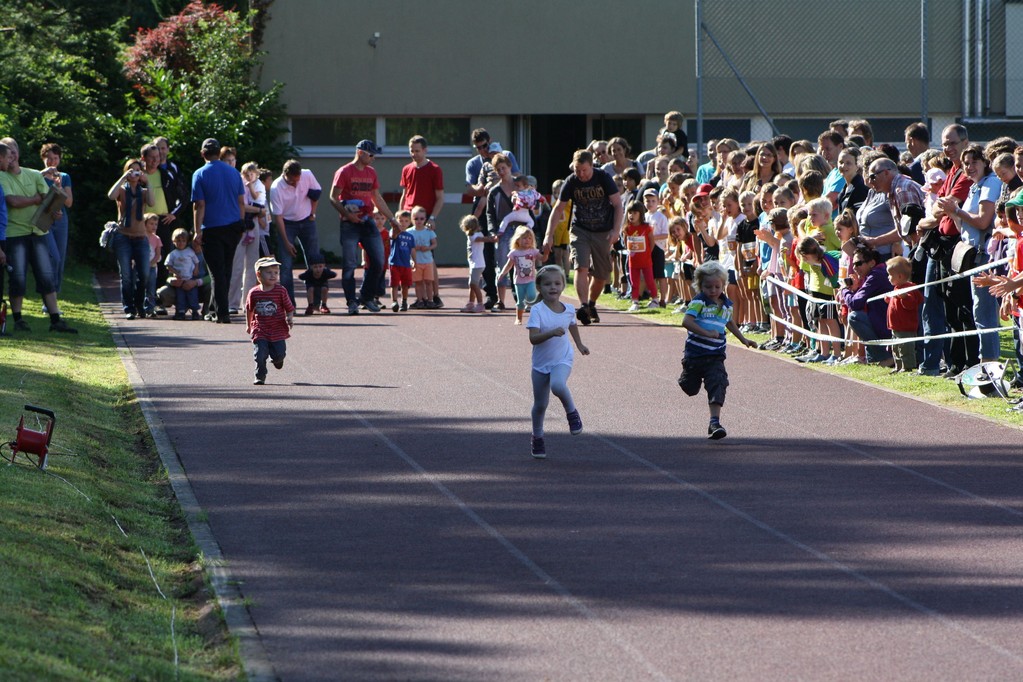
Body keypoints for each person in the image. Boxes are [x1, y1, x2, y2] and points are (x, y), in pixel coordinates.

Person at [916, 124, 975, 377]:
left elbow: (948, 205)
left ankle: (970, 363)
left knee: (962, 307)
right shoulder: (951, 172)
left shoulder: (965, 174)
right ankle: (955, 363)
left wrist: (934, 215)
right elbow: (937, 206)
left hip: (958, 245)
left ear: (965, 142)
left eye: (952, 143)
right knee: (949, 306)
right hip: (942, 244)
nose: (948, 148)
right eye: (944, 144)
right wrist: (935, 213)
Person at [0, 138, 76, 333]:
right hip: (15, 234)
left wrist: (54, 212)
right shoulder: (2, 176)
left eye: (14, 151)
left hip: (39, 232)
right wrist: (35, 199)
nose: (12, 156)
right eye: (8, 153)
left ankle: (55, 319)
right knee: (18, 277)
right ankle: (18, 319)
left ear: (18, 153)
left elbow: (48, 199)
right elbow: (13, 201)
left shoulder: (34, 174)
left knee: (46, 275)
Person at [678, 260, 757, 440]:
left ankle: (715, 423)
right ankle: (686, 376)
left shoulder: (727, 304)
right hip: (695, 355)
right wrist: (707, 333)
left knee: (718, 383)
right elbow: (686, 321)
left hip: (715, 355)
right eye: (708, 287)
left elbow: (729, 322)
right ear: (700, 286)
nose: (713, 290)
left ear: (723, 285)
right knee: (690, 388)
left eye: (717, 287)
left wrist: (744, 339)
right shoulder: (699, 302)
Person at [543, 149, 624, 325]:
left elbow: (618, 205)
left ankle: (592, 303)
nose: (581, 174)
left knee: (602, 275)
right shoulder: (571, 181)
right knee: (581, 266)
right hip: (580, 229)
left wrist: (616, 230)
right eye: (577, 170)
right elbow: (558, 208)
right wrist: (548, 235)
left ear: (591, 166)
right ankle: (584, 306)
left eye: (584, 170)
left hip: (603, 230)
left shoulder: (603, 177)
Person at [942, 143, 1002, 363]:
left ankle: (989, 362)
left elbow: (983, 221)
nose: (969, 167)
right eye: (966, 163)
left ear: (985, 163)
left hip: (985, 256)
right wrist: (953, 213)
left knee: (984, 312)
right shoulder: (975, 187)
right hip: (973, 255)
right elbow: (965, 227)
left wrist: (956, 210)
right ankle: (987, 361)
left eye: (974, 162)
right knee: (979, 311)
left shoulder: (990, 183)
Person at [526, 265, 589, 459]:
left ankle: (572, 413)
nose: (552, 287)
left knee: (558, 385)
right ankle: (537, 437)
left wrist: (579, 344)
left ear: (563, 286)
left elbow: (572, 324)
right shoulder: (537, 310)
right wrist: (551, 333)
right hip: (540, 364)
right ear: (539, 287)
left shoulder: (569, 309)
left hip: (562, 358)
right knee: (540, 405)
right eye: (547, 284)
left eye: (557, 283)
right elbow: (533, 339)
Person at [330, 139, 400, 315]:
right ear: (360, 152)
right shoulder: (344, 171)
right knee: (350, 264)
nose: (373, 158)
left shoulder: (371, 172)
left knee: (378, 261)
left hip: (368, 222)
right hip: (349, 224)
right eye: (371, 155)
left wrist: (392, 218)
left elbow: (376, 197)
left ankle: (366, 297)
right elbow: (333, 197)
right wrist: (348, 215)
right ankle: (351, 302)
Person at [191, 138, 245, 323]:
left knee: (216, 272)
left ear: (202, 153)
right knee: (226, 270)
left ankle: (222, 312)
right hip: (233, 226)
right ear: (218, 153)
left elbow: (199, 205)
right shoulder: (234, 172)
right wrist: (241, 224)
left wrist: (197, 231)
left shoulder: (199, 174)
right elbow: (241, 201)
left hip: (212, 227)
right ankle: (216, 309)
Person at [399, 135, 445, 308]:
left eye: (417, 151)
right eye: (411, 150)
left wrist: (432, 217)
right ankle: (419, 297)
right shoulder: (406, 169)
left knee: (428, 259)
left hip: (424, 220)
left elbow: (440, 197)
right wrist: (400, 217)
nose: (414, 154)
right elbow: (405, 194)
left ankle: (435, 296)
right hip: (409, 220)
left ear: (425, 150)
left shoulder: (434, 169)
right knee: (411, 259)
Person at [268, 159, 321, 305]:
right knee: (286, 265)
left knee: (314, 261)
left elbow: (316, 194)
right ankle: (289, 304)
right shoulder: (276, 188)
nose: (296, 184)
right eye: (292, 181)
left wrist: (313, 213)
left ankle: (315, 302)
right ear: (285, 174)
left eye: (298, 180)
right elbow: (278, 217)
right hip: (287, 223)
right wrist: (286, 242)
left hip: (307, 220)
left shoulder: (307, 174)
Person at [108, 158, 155, 320]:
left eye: (137, 170)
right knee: (126, 275)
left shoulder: (143, 192)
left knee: (144, 274)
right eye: (131, 170)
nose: (134, 173)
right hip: (123, 237)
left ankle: (139, 305)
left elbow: (152, 202)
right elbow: (110, 195)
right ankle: (129, 308)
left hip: (141, 237)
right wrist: (123, 178)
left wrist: (147, 182)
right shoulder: (122, 190)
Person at [839, 246, 894, 366]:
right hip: (886, 321)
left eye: (858, 263)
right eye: (853, 264)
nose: (855, 268)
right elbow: (857, 301)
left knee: (855, 317)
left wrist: (844, 290)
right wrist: (854, 290)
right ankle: (876, 358)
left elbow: (855, 304)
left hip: (889, 324)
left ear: (872, 263)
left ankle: (884, 357)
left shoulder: (876, 275)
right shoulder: (876, 273)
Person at [245, 256, 295, 385]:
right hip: (260, 329)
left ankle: (278, 359)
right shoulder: (253, 293)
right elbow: (249, 310)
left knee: (279, 354)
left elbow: (289, 307)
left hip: (278, 329)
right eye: (269, 272)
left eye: (276, 272)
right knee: (259, 355)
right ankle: (260, 376)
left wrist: (289, 317)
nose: (273, 275)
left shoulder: (281, 291)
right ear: (259, 275)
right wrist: (248, 325)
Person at [38, 143, 72, 297]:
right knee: (53, 258)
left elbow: (69, 202)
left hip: (60, 220)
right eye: (49, 158)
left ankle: (54, 296)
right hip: (44, 219)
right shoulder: (37, 176)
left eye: (55, 158)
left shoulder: (64, 177)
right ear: (43, 158)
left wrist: (60, 187)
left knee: (60, 259)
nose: (52, 162)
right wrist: (44, 174)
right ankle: (48, 293)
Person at [497, 224, 543, 325]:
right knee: (520, 301)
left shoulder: (533, 251)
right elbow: (508, 265)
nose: (527, 240)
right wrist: (502, 273)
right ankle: (518, 318)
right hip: (518, 281)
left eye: (530, 238)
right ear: (518, 240)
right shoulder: (514, 253)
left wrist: (546, 252)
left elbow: (543, 258)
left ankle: (535, 314)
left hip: (531, 280)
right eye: (524, 238)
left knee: (532, 296)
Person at [885, 256, 924, 372]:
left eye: (890, 275)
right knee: (895, 347)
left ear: (900, 276)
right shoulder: (897, 288)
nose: (888, 277)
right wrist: (889, 298)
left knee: (905, 348)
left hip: (905, 327)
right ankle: (898, 366)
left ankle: (907, 366)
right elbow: (894, 303)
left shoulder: (909, 288)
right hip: (896, 326)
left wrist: (905, 297)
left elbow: (912, 304)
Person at [622, 201, 655, 312]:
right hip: (633, 261)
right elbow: (626, 242)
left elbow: (652, 242)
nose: (632, 215)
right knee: (634, 282)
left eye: (635, 213)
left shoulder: (646, 227)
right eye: (630, 213)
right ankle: (635, 301)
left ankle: (655, 299)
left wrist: (647, 253)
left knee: (649, 280)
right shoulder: (627, 228)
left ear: (641, 214)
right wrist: (630, 251)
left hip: (646, 260)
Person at [164, 227, 202, 320]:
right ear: (174, 242)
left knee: (193, 296)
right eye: (178, 241)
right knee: (180, 297)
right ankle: (180, 312)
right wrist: (175, 273)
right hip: (179, 280)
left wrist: (196, 269)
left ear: (187, 241)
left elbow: (196, 261)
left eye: (183, 241)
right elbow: (168, 265)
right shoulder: (173, 254)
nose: (181, 243)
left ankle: (195, 311)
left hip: (190, 278)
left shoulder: (190, 252)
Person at [459, 214, 492, 313]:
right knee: (471, 284)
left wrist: (491, 239)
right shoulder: (472, 235)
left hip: (478, 265)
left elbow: (481, 239)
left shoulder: (475, 236)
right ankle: (470, 303)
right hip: (474, 264)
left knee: (474, 284)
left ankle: (480, 304)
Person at [410, 206, 438, 308]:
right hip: (416, 261)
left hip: (428, 261)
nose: (419, 221)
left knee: (429, 282)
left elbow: (435, 244)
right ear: (412, 219)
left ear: (425, 219)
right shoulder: (409, 232)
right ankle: (420, 300)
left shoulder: (429, 231)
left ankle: (430, 300)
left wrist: (428, 248)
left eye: (421, 219)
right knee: (418, 282)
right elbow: (407, 246)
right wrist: (414, 248)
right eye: (416, 218)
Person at [389, 209, 415, 312]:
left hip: (406, 264)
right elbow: (393, 236)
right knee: (394, 284)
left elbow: (412, 250)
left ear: (409, 222)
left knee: (405, 284)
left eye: (406, 221)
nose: (403, 223)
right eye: (401, 220)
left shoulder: (410, 236)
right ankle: (394, 301)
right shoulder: (394, 232)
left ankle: (404, 301)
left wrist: (414, 260)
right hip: (395, 263)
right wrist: (395, 228)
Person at [143, 212, 162, 317]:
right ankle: (139, 307)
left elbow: (158, 254)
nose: (154, 226)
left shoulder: (157, 238)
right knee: (139, 287)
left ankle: (150, 309)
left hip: (152, 267)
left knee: (151, 288)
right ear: (144, 224)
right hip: (140, 266)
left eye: (156, 224)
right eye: (151, 224)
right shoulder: (141, 237)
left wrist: (151, 263)